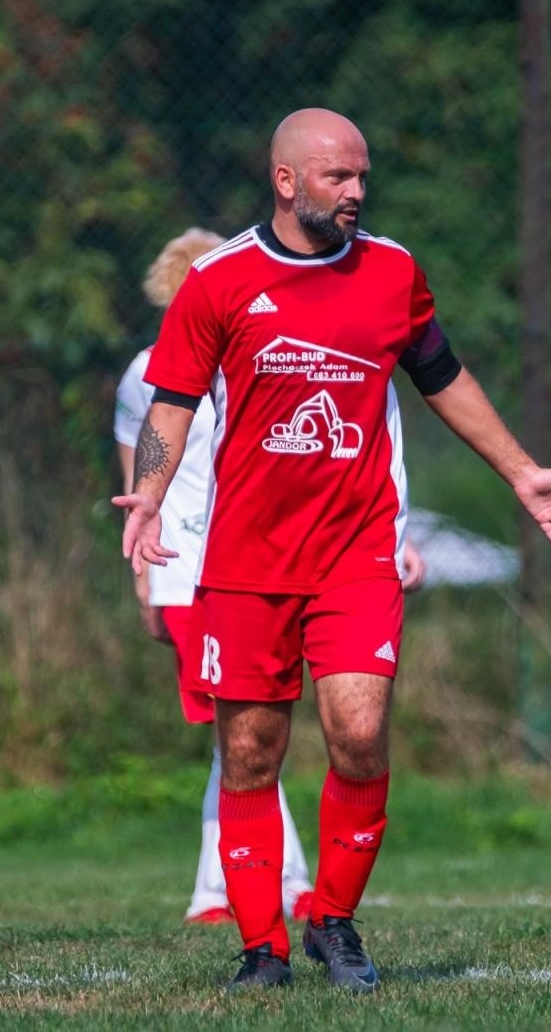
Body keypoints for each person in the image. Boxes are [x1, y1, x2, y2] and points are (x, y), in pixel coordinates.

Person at [114, 108, 551, 994]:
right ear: (287, 181)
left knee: (361, 733)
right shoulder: (219, 282)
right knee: (252, 750)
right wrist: (147, 495)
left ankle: (332, 919)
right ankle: (262, 949)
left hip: (357, 550)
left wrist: (521, 471)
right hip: (246, 559)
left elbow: (444, 377)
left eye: (363, 177)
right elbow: (172, 403)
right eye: (339, 178)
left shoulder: (392, 271)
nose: (357, 193)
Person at [114, 230, 429, 927]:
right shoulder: (150, 371)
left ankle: (277, 892)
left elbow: (373, 428)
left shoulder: (303, 338)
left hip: (308, 557)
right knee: (242, 740)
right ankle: (241, 895)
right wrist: (142, 562)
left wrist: (394, 530)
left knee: (288, 735)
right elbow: (140, 466)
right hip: (201, 565)